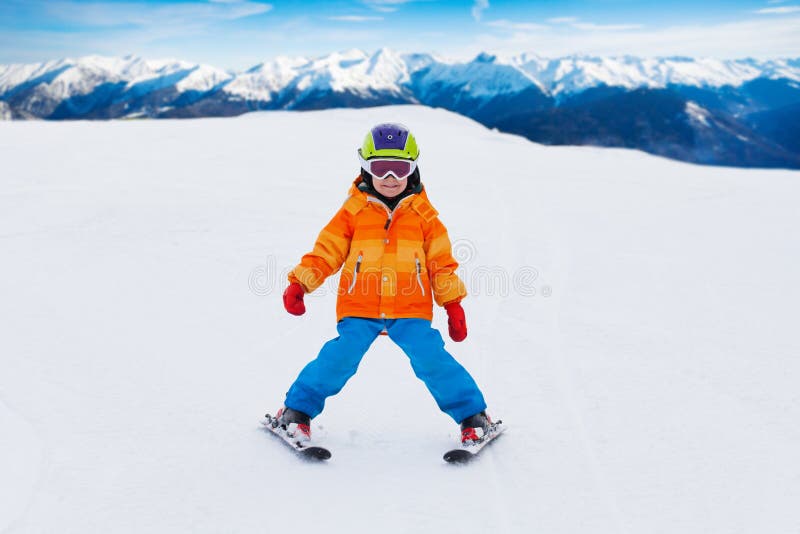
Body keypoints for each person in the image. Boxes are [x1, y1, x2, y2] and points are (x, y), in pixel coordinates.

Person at [275, 122, 493, 446]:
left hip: (410, 307)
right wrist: (301, 283)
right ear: (365, 167)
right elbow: (326, 252)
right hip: (360, 305)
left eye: (399, 168)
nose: (390, 178)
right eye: (381, 168)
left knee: (431, 357)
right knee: (340, 357)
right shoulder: (352, 212)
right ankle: (295, 412)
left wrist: (453, 304)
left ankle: (473, 416)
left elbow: (441, 265)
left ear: (413, 168)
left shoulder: (425, 218)